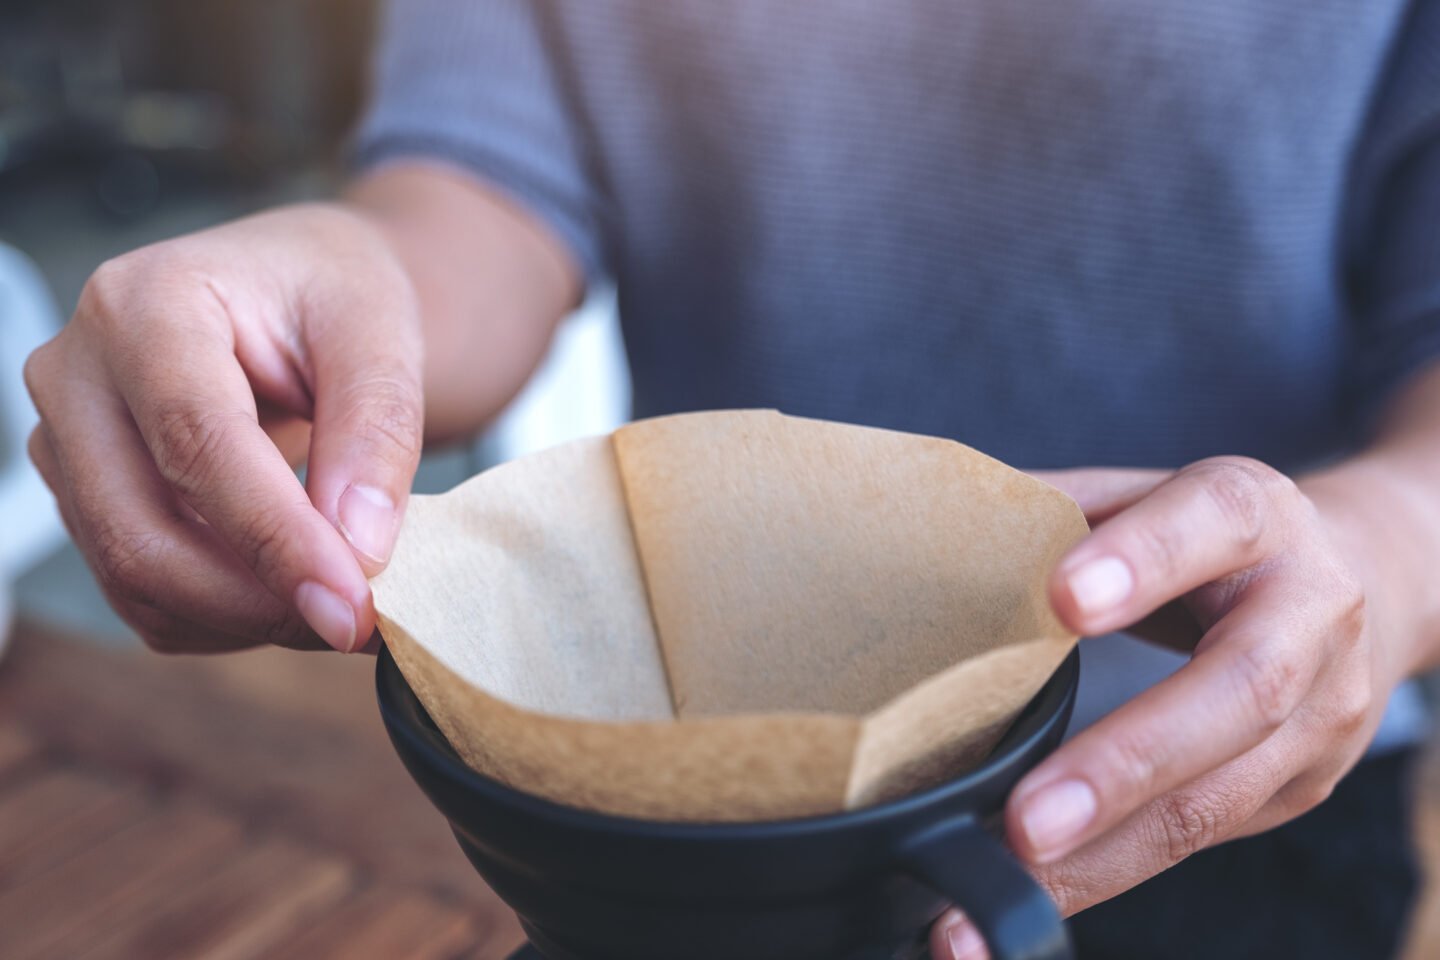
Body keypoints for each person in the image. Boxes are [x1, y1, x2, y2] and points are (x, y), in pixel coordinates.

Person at [22, 1, 1440, 956]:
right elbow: (484, 190)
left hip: (1248, 789)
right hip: (669, 805)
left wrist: (1374, 550)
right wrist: (347, 278)